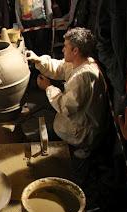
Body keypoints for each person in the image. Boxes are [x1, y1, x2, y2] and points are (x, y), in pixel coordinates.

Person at [26, 27, 107, 160]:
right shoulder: (81, 61)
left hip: (85, 130)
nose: (63, 50)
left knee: (56, 126)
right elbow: (60, 67)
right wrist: (38, 60)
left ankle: (84, 151)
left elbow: (65, 106)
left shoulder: (83, 77)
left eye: (65, 47)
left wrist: (48, 87)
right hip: (84, 118)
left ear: (75, 51)